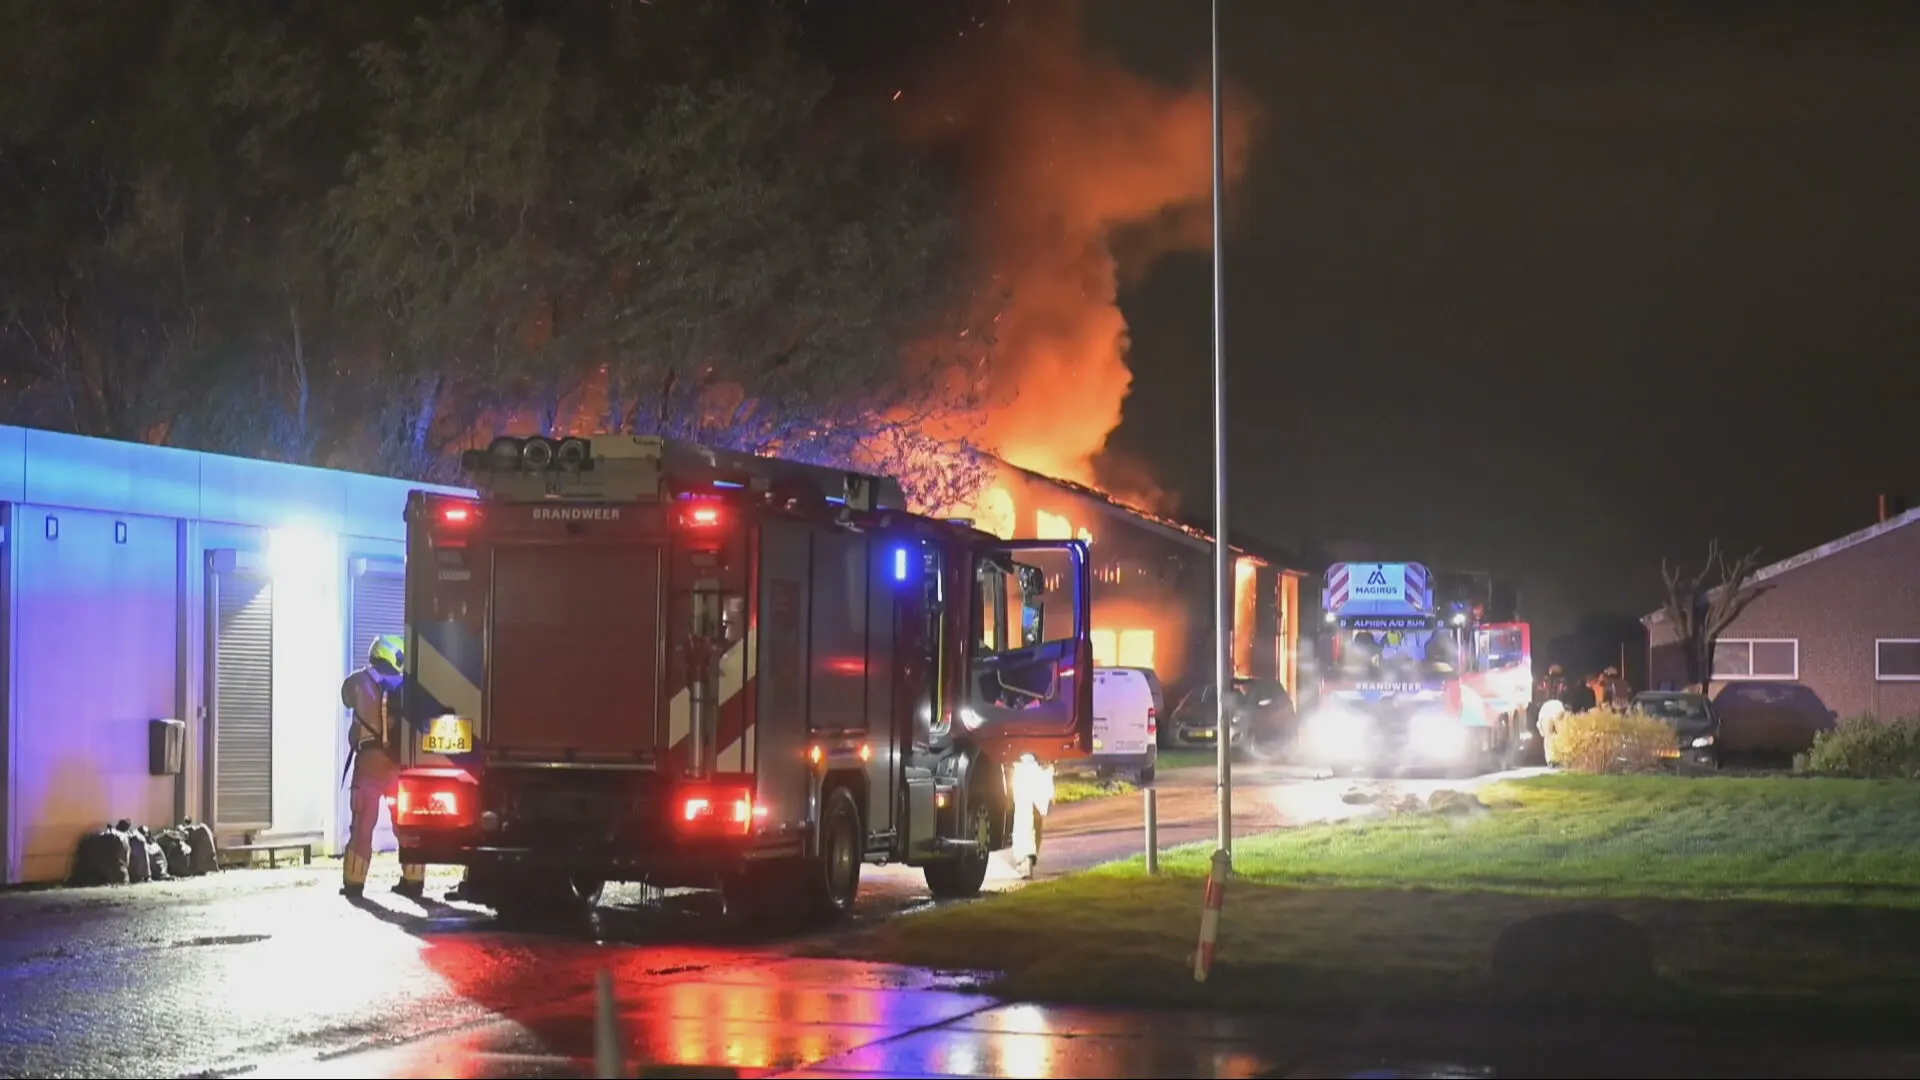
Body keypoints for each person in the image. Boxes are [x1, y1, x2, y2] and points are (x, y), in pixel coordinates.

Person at [341, 635, 426, 900]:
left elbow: (346, 698)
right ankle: (414, 882)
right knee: (406, 823)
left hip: (368, 765)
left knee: (363, 824)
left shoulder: (358, 681)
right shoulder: (409, 686)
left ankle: (354, 885)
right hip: (399, 766)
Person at [1008, 754, 1054, 879]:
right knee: (1030, 815)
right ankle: (1026, 857)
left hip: (1029, 767)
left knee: (1027, 816)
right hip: (1034, 766)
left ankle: (1026, 858)